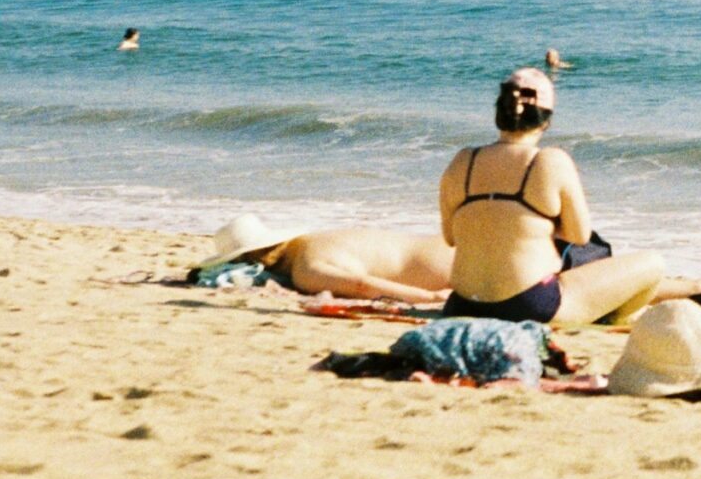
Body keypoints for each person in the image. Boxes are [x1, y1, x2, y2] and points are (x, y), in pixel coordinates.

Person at [438, 67, 666, 327]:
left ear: (498, 113)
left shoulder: (463, 161)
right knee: (653, 264)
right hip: (529, 305)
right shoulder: (550, 161)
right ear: (545, 121)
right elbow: (580, 236)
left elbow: (450, 237)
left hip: (462, 305)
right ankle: (614, 319)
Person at [199, 214, 454, 303]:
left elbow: (361, 285)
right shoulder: (315, 238)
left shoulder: (306, 270)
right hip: (443, 245)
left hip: (440, 271)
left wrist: (430, 297)